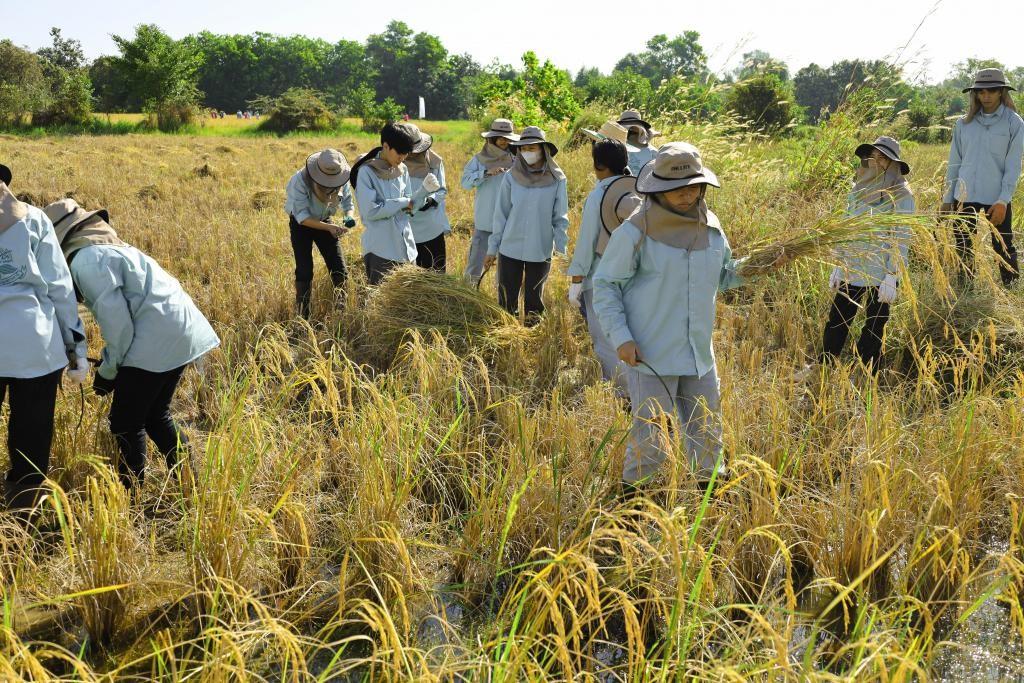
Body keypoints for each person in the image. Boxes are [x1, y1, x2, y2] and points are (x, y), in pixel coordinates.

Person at [593, 143, 747, 491]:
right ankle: (634, 504)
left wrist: (758, 266)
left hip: (698, 353)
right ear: (658, 188)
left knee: (707, 432)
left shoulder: (711, 227)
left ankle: (710, 497)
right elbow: (606, 285)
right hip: (650, 353)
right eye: (676, 188)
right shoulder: (635, 232)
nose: (686, 194)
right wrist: (622, 338)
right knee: (651, 438)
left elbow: (724, 277)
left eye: (693, 186)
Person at [43, 199, 219, 490]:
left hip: (155, 340)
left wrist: (108, 373)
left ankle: (131, 497)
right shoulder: (114, 249)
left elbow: (120, 328)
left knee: (125, 423)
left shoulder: (86, 260)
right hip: (180, 332)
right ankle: (190, 484)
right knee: (156, 415)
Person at [0, 164, 88, 513]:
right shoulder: (34, 220)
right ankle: (24, 513)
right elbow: (60, 288)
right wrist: (76, 348)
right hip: (35, 346)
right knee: (32, 436)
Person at [818, 137, 914, 375]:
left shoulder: (902, 194)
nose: (876, 162)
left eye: (883, 158)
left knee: (874, 325)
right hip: (852, 266)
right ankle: (824, 365)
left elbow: (901, 237)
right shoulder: (858, 188)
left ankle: (866, 373)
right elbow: (846, 227)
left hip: (881, 272)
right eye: (873, 156)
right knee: (837, 319)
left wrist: (892, 275)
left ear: (893, 164)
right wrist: (839, 264)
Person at [567, 123, 642, 394]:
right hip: (635, 274)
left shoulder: (598, 194)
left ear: (598, 165)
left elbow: (587, 242)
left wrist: (576, 280)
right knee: (632, 332)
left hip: (601, 276)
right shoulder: (637, 188)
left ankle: (622, 393)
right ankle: (642, 387)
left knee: (605, 338)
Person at [941, 68, 1023, 286]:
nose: (985, 95)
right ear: (975, 93)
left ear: (1001, 91)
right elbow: (954, 163)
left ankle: (1011, 289)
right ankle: (965, 290)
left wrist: (1003, 200)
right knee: (963, 244)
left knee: (1003, 245)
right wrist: (947, 199)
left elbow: (1013, 166)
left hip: (996, 197)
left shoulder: (1014, 123)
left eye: (992, 90)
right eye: (981, 91)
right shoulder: (963, 124)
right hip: (963, 195)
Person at [485, 126, 569, 324]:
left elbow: (560, 218)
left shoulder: (557, 179)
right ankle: (508, 332)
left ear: (543, 149)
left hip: (540, 248)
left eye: (532, 148)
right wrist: (492, 249)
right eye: (523, 148)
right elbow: (501, 215)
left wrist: (562, 252)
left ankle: (532, 333)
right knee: (506, 298)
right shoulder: (511, 177)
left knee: (534, 300)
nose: (527, 152)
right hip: (510, 246)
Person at [350, 122, 438, 285]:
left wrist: (423, 193)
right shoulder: (367, 172)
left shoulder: (402, 169)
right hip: (381, 250)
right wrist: (403, 202)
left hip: (406, 249)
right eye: (399, 153)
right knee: (380, 298)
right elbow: (371, 212)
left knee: (407, 299)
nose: (402, 158)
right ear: (385, 146)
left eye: (406, 154)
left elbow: (409, 209)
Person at [285, 148, 355, 318]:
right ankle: (303, 316)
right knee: (304, 270)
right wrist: (329, 228)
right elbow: (302, 218)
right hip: (302, 225)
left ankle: (341, 313)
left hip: (325, 220)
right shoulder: (299, 180)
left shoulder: (341, 178)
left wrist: (348, 217)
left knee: (338, 267)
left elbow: (348, 203)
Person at [461, 119, 519, 281]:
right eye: (500, 137)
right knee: (475, 265)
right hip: (485, 221)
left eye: (507, 138)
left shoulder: (516, 159)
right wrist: (486, 173)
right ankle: (468, 293)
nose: (503, 141)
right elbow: (465, 183)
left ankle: (502, 294)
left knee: (506, 269)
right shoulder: (479, 160)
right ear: (492, 138)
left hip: (509, 222)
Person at [405, 131, 451, 272]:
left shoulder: (435, 162)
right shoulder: (395, 165)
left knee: (435, 274)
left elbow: (441, 190)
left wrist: (431, 200)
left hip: (431, 226)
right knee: (410, 275)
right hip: (406, 227)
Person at [617, 109, 659, 176]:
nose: (630, 130)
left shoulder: (653, 152)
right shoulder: (613, 148)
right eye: (627, 130)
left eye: (632, 132)